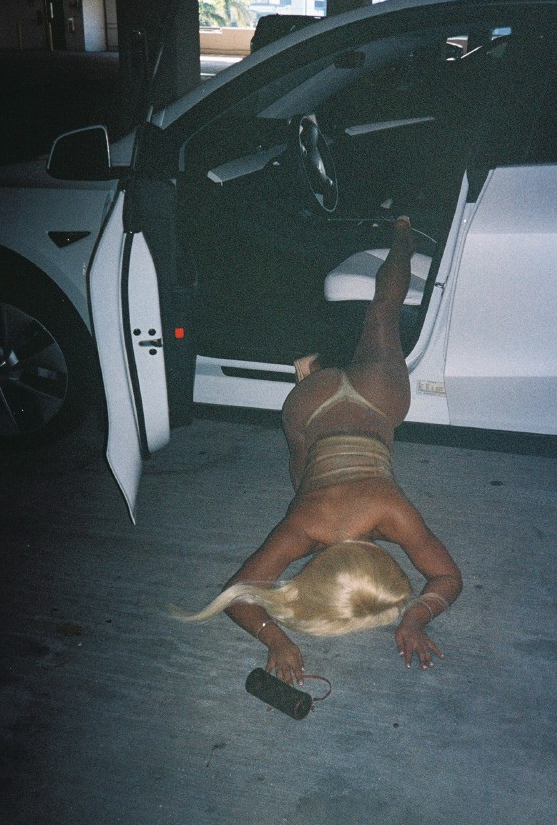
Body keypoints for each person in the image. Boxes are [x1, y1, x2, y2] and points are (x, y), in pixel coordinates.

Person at [177, 217, 462, 684]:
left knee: (382, 310)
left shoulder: (392, 514)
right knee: (301, 475)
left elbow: (448, 580)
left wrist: (416, 616)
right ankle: (312, 374)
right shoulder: (303, 528)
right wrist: (277, 638)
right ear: (317, 567)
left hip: (376, 400)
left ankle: (404, 231)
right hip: (306, 412)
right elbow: (237, 593)